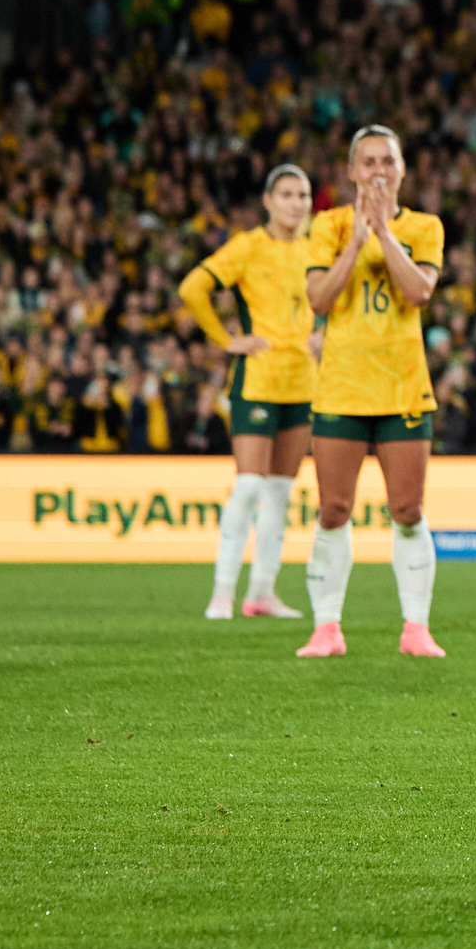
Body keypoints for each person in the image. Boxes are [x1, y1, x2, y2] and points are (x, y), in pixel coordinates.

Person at [296, 126, 447, 659]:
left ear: (403, 170)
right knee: (333, 509)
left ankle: (416, 629)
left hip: (403, 388)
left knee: (407, 510)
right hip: (341, 389)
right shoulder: (329, 225)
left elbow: (419, 291)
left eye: (388, 161)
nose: (378, 171)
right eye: (368, 162)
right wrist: (356, 241)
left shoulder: (426, 226)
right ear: (351, 171)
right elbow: (318, 298)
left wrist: (383, 234)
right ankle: (327, 628)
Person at [176, 163, 319, 621]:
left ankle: (261, 592)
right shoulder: (248, 247)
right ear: (268, 201)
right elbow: (193, 287)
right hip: (258, 379)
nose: (296, 203)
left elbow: (337, 299)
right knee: (250, 483)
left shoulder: (318, 250)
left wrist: (327, 333)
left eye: (303, 195)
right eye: (287, 194)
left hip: (303, 382)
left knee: (280, 491)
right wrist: (225, 340)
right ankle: (222, 592)